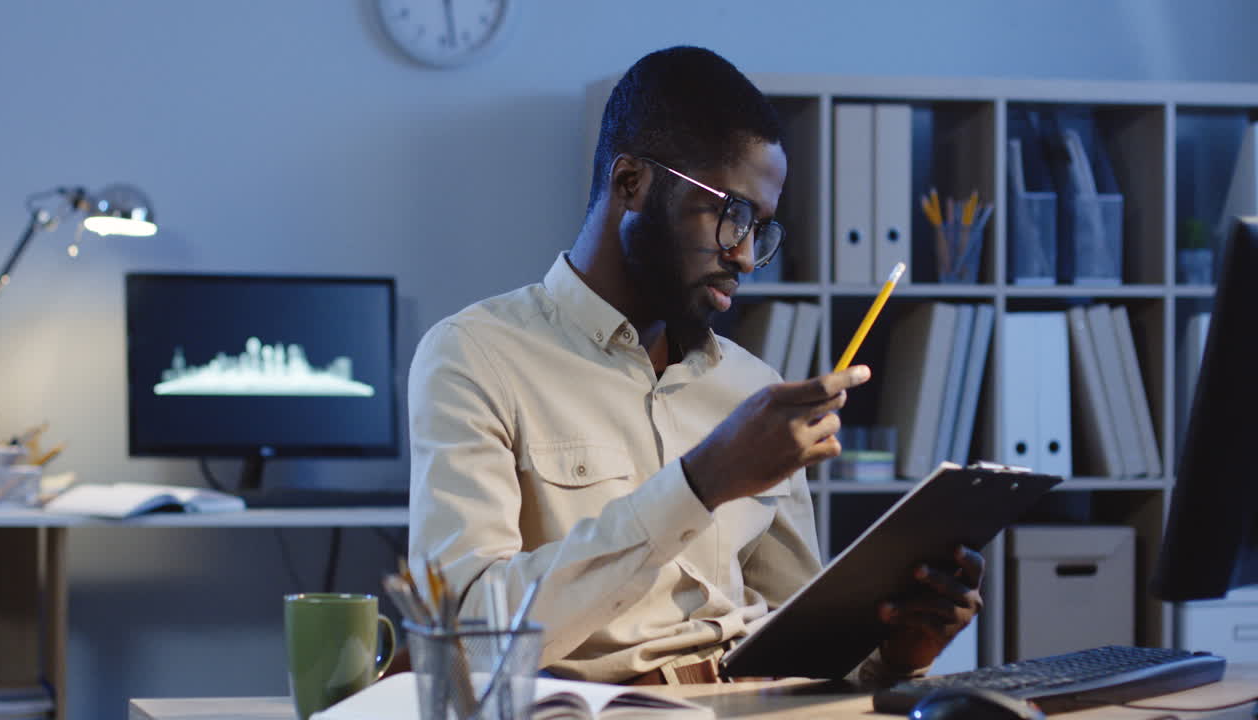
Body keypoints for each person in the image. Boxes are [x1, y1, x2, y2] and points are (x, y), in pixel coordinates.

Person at [407, 45, 982, 686]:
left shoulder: (754, 389)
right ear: (632, 184)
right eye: (731, 214)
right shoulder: (475, 357)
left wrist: (902, 648)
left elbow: (805, 648)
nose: (743, 257)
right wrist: (702, 481)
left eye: (759, 228)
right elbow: (459, 648)